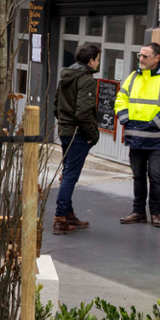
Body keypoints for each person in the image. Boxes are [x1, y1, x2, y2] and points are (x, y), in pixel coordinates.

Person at [115, 42, 160, 228]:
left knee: (155, 177)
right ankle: (138, 212)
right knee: (138, 176)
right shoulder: (133, 77)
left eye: (145, 56)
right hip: (136, 137)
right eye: (140, 55)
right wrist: (124, 117)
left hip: (156, 139)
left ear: (157, 58)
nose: (141, 59)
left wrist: (156, 122)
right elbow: (121, 98)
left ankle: (155, 213)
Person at [53, 44, 101, 235]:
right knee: (70, 175)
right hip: (78, 133)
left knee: (68, 172)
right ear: (91, 61)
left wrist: (64, 123)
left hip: (66, 130)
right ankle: (60, 219)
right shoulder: (86, 80)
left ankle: (67, 213)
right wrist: (92, 135)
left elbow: (57, 104)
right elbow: (84, 112)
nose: (98, 63)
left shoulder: (66, 75)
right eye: (97, 59)